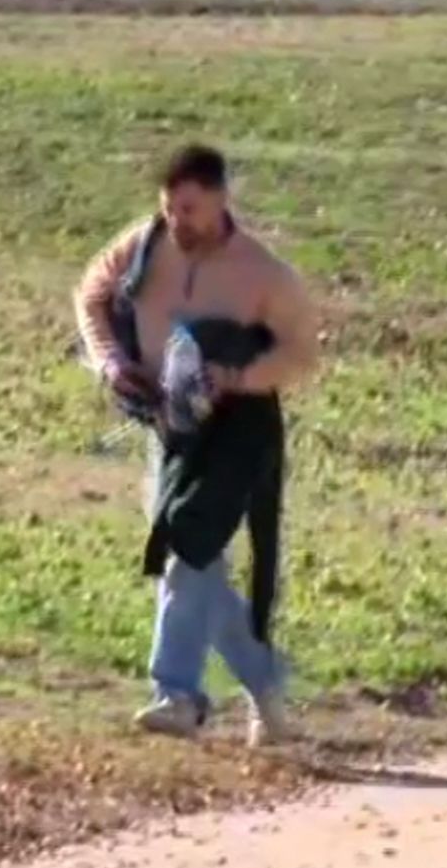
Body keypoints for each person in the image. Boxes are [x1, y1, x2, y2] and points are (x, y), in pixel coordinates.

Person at [74, 145, 321, 743]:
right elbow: (91, 296)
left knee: (186, 545)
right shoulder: (144, 245)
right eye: (169, 208)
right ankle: (266, 687)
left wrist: (236, 377)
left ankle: (178, 696)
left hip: (239, 429)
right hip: (168, 424)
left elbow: (301, 353)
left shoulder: (263, 272)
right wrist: (111, 364)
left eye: (189, 209)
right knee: (192, 565)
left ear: (221, 200)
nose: (177, 222)